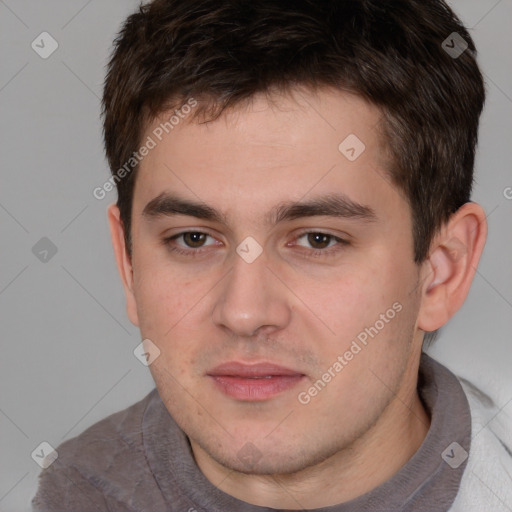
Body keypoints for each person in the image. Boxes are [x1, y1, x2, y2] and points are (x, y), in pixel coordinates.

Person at [32, 0, 512, 510]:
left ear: (441, 272)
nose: (244, 313)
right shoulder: (77, 493)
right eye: (194, 239)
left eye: (317, 240)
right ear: (129, 264)